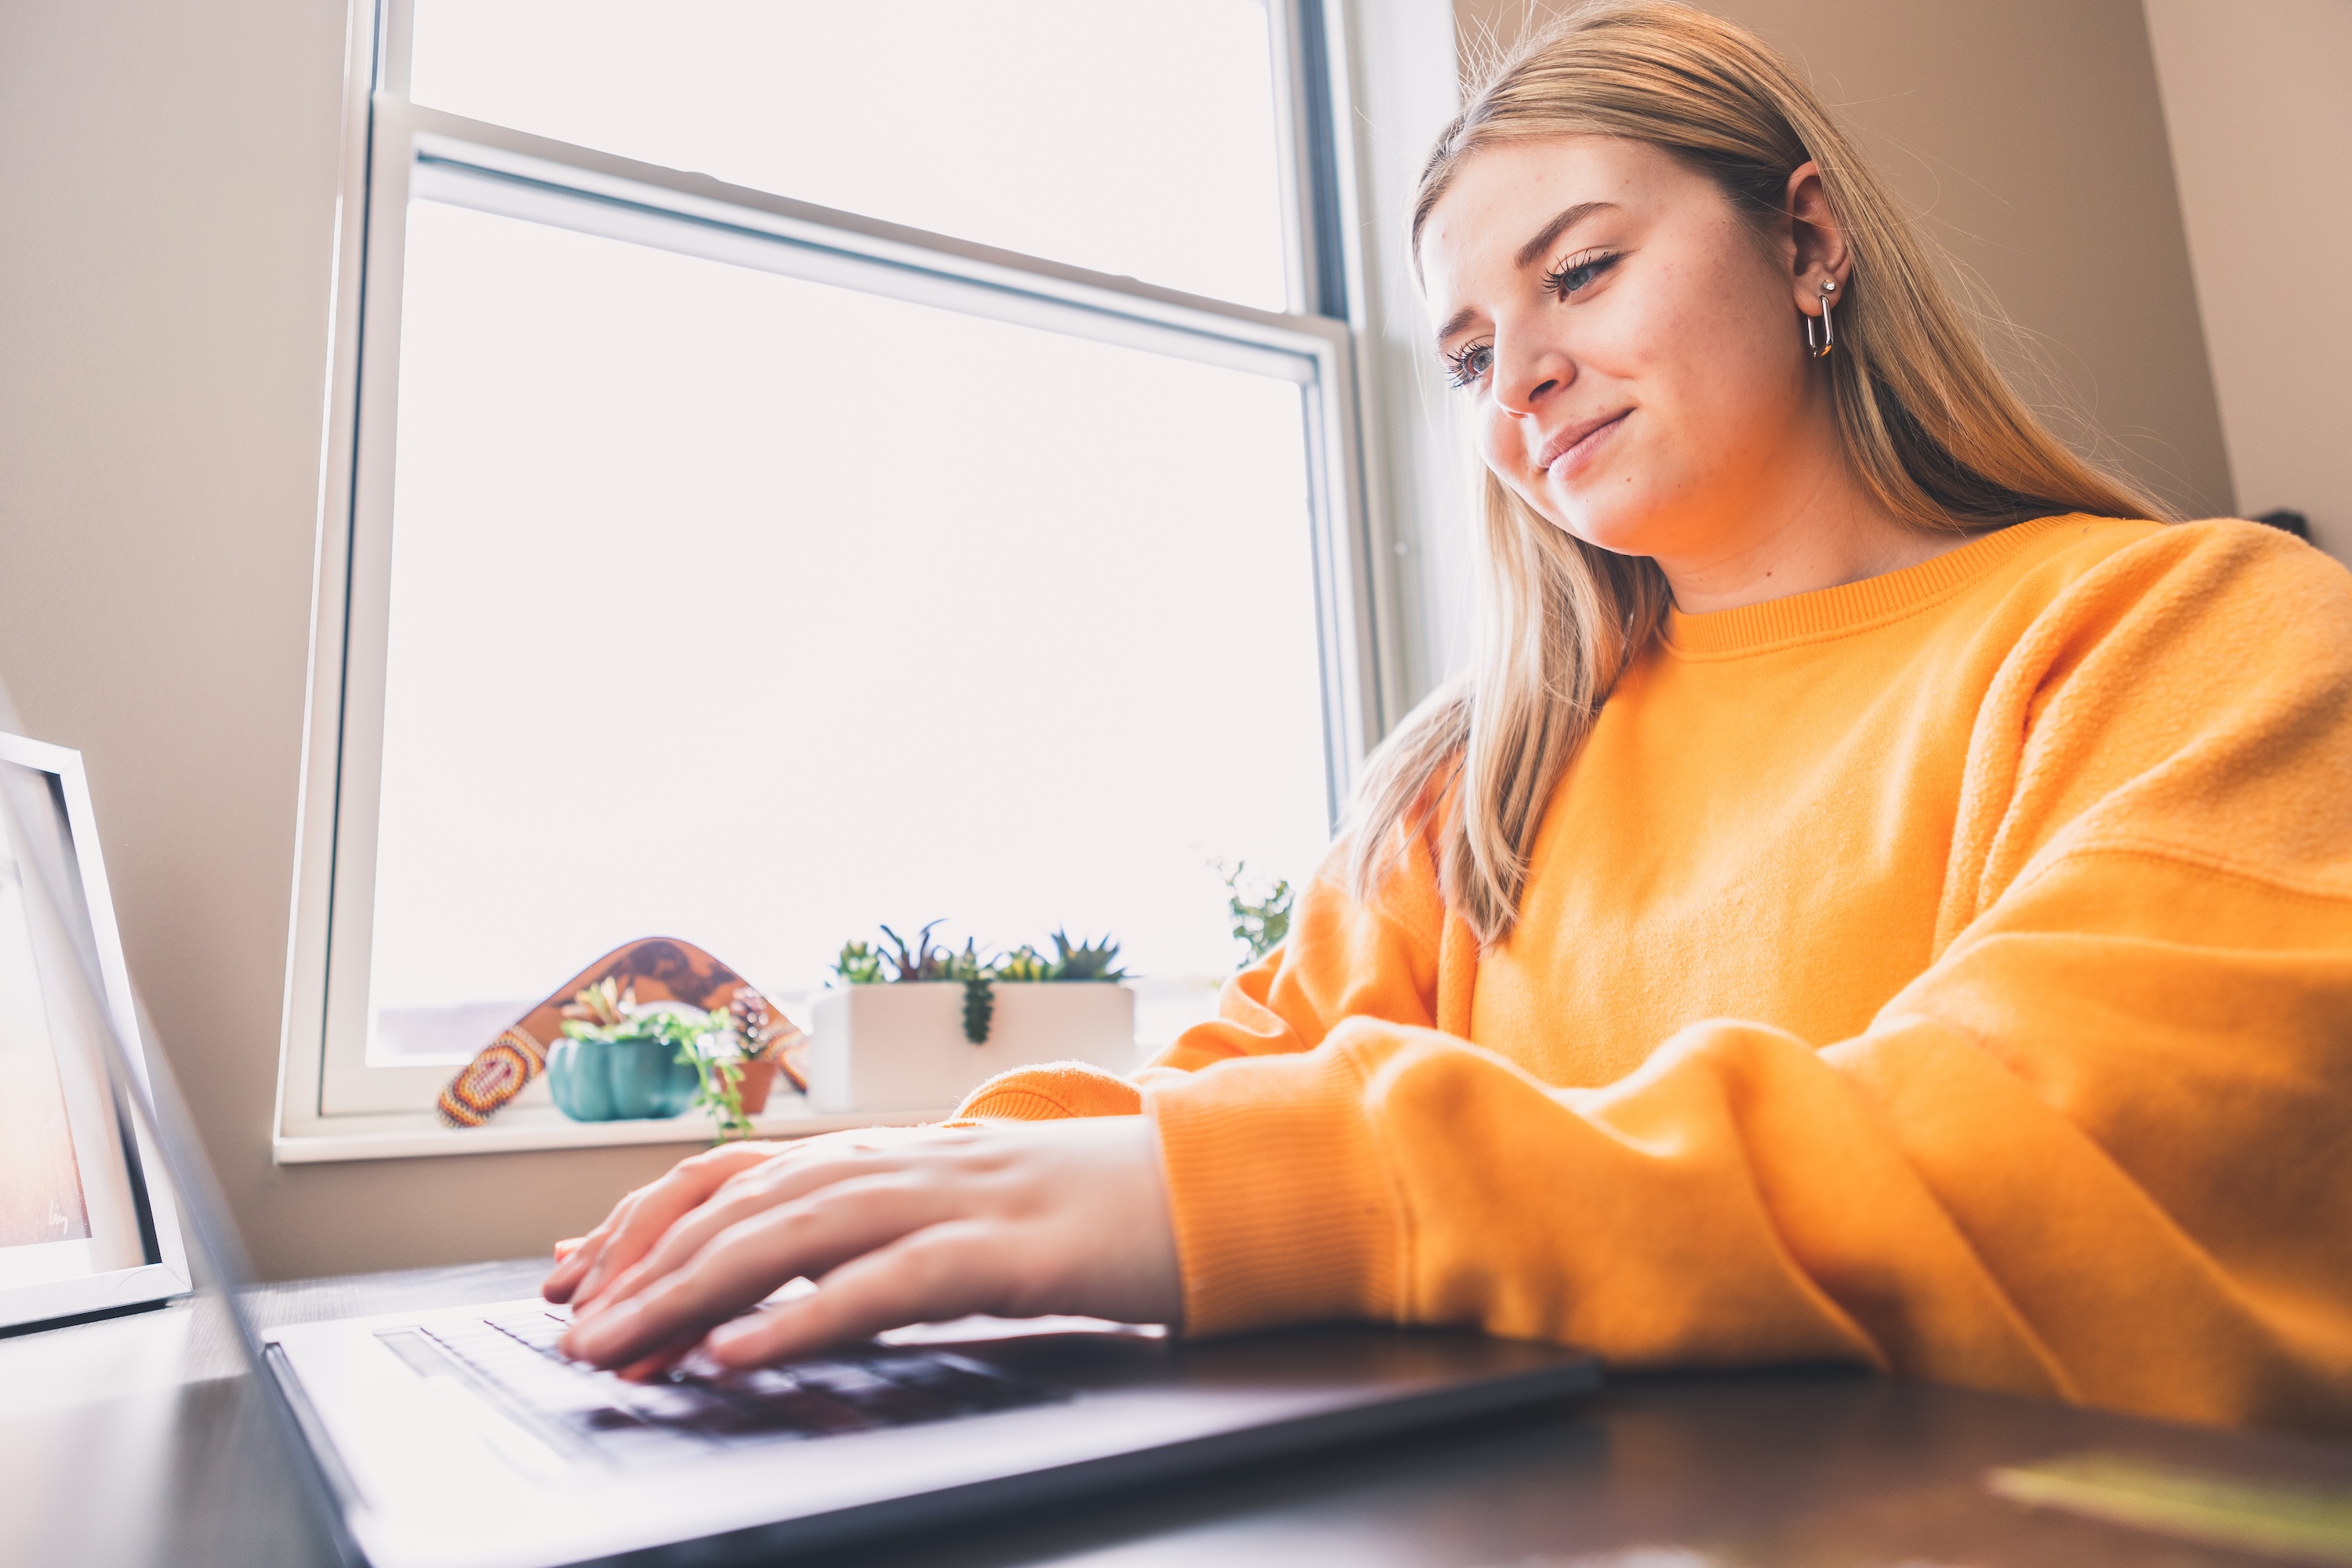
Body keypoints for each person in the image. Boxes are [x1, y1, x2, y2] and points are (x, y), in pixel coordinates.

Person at [544, 0, 2352, 1430]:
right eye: (1473, 352)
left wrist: (1290, 1197)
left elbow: (2044, 1160)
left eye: (1579, 273)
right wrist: (888, 1190)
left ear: (1808, 243)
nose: (1527, 376)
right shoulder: (1476, 783)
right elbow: (1241, 1079)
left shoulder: (2188, 634)